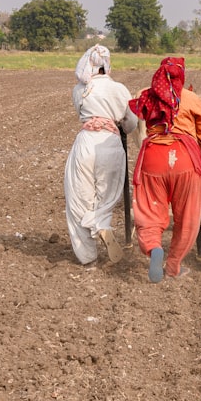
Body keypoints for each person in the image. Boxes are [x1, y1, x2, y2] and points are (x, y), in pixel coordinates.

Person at [129, 57, 201, 282]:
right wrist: (193, 148)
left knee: (149, 209)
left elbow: (135, 119)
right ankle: (174, 265)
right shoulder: (191, 98)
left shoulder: (147, 94)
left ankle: (153, 246)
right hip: (184, 159)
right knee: (187, 216)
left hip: (152, 158)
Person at [63, 44, 139, 266]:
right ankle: (101, 223)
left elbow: (81, 114)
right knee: (107, 195)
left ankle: (87, 256)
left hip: (85, 143)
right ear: (107, 65)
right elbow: (131, 123)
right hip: (111, 143)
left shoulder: (79, 89)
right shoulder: (119, 89)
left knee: (78, 196)